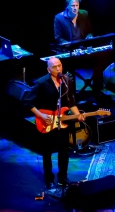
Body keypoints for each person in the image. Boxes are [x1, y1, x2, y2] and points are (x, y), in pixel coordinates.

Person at [22, 57, 84, 189]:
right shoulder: (41, 83)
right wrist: (41, 115)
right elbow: (27, 101)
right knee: (47, 152)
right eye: (55, 67)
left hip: (62, 122)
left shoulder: (67, 81)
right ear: (48, 69)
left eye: (60, 66)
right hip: (47, 121)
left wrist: (77, 114)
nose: (58, 69)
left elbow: (71, 102)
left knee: (64, 151)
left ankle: (63, 177)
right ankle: (48, 179)